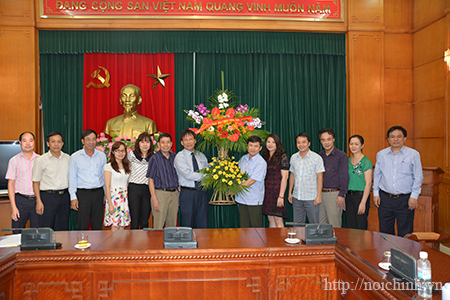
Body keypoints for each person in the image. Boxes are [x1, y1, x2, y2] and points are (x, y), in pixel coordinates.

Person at [373, 125, 423, 237]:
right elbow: (377, 175)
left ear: (404, 138)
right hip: (385, 199)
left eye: (399, 136)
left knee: (405, 232)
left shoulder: (413, 154)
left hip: (405, 199)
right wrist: (376, 194)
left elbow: (418, 176)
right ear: (388, 139)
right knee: (385, 232)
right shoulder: (381, 154)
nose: (396, 139)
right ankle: (387, 253)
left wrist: (414, 196)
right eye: (392, 137)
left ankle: (404, 254)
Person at [69, 129, 107, 230]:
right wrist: (73, 197)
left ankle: (97, 245)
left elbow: (104, 177)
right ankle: (82, 245)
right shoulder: (75, 157)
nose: (91, 142)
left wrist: (105, 193)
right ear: (83, 141)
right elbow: (72, 178)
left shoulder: (102, 156)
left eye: (94, 139)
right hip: (82, 195)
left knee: (97, 224)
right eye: (88, 139)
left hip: (98, 194)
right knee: (82, 224)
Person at [32, 132, 71, 230]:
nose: (56, 144)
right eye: (53, 142)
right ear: (48, 144)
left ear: (62, 144)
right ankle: (46, 246)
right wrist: (38, 201)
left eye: (59, 141)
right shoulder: (41, 160)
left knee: (63, 226)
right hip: (48, 197)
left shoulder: (68, 158)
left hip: (64, 197)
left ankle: (63, 245)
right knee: (46, 227)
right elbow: (36, 182)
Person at [174, 129, 209, 228]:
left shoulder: (201, 155)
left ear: (195, 141)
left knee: (203, 223)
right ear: (182, 142)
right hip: (188, 194)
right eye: (186, 140)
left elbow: (208, 169)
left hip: (203, 193)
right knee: (187, 224)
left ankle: (203, 244)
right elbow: (188, 175)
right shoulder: (180, 157)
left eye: (191, 139)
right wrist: (207, 176)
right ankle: (187, 243)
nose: (188, 142)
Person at [288, 132, 324, 225]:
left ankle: (316, 240)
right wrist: (290, 192)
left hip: (311, 198)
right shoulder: (293, 157)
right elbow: (292, 175)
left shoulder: (316, 158)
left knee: (314, 225)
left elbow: (320, 178)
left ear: (309, 143)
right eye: (298, 142)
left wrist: (318, 196)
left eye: (304, 142)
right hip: (297, 197)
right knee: (298, 225)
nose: (301, 145)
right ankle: (299, 240)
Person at [6, 132, 39, 231]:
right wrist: (13, 207)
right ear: (20, 142)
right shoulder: (14, 160)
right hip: (20, 201)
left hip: (37, 201)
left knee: (37, 235)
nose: (28, 143)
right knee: (17, 232)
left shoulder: (40, 160)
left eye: (30, 140)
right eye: (24, 141)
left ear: (34, 142)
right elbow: (10, 183)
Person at [318, 127, 349, 228]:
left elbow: (344, 176)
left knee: (334, 226)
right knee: (321, 226)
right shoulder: (319, 156)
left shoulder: (341, 156)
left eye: (329, 139)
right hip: (320, 194)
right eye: (323, 140)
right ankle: (323, 244)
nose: (326, 142)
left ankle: (335, 244)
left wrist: (342, 195)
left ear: (333, 139)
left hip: (334, 195)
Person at [146, 133, 179, 229]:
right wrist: (154, 199)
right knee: (158, 226)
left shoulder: (175, 157)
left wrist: (178, 192)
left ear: (171, 144)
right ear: (159, 145)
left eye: (168, 142)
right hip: (160, 194)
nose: (166, 145)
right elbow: (150, 180)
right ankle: (156, 244)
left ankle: (171, 244)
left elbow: (178, 175)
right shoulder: (154, 158)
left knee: (172, 225)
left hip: (174, 194)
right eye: (163, 142)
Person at [235, 136, 267, 228]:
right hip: (241, 198)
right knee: (244, 227)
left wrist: (236, 189)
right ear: (247, 146)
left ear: (260, 148)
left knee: (256, 228)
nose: (253, 148)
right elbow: (237, 175)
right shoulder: (243, 158)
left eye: (256, 146)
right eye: (251, 145)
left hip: (254, 199)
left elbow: (252, 180)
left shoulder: (261, 162)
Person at [346, 135, 373, 230]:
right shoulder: (348, 161)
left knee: (360, 225)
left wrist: (363, 203)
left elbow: (368, 183)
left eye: (356, 144)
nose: (353, 146)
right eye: (351, 144)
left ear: (362, 145)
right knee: (350, 225)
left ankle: (362, 245)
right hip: (349, 197)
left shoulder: (366, 161)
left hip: (361, 196)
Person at [262, 133, 289, 228]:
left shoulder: (282, 156)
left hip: (277, 191)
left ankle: (281, 243)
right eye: (268, 141)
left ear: (277, 144)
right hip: (267, 192)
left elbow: (285, 177)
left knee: (278, 219)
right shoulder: (264, 157)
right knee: (270, 219)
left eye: (273, 142)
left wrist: (281, 196)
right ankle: (272, 242)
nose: (270, 144)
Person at [128, 132, 153, 229]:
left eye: (147, 142)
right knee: (134, 218)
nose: (145, 144)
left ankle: (145, 243)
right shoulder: (131, 155)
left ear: (150, 144)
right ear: (138, 143)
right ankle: (133, 243)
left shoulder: (153, 157)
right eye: (142, 142)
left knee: (144, 219)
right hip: (134, 188)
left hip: (147, 189)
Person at [104, 142, 131, 231]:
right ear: (113, 152)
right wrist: (110, 204)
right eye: (118, 151)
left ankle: (121, 245)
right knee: (115, 227)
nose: (120, 153)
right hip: (114, 199)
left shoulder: (127, 166)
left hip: (123, 198)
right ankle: (114, 245)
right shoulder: (108, 166)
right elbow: (107, 187)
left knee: (122, 226)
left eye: (122, 151)